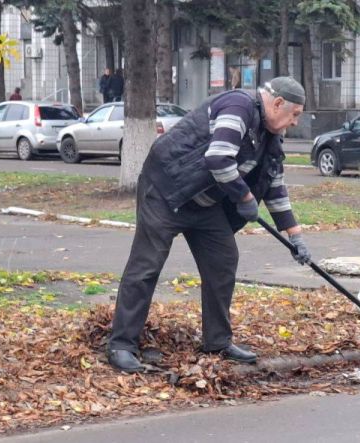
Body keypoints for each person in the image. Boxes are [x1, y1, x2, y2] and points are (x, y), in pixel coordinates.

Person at [107, 77, 312, 373]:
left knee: (223, 259)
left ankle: (217, 340)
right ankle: (121, 345)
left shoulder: (271, 136)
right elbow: (218, 158)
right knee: (146, 265)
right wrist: (243, 196)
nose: (294, 123)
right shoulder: (238, 106)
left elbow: (275, 184)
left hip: (204, 203)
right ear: (278, 103)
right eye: (295, 115)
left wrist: (295, 236)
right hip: (167, 190)